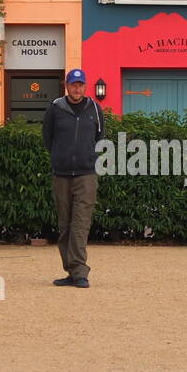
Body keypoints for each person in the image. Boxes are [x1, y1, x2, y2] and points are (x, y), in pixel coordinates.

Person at [42, 69, 104, 288]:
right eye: (73, 84)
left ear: (85, 86)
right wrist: (62, 158)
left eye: (80, 84)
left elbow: (99, 137)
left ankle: (80, 272)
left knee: (80, 224)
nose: (77, 88)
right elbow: (47, 139)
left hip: (86, 175)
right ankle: (71, 270)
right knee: (65, 225)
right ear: (66, 85)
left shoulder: (95, 109)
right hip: (61, 175)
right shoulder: (55, 109)